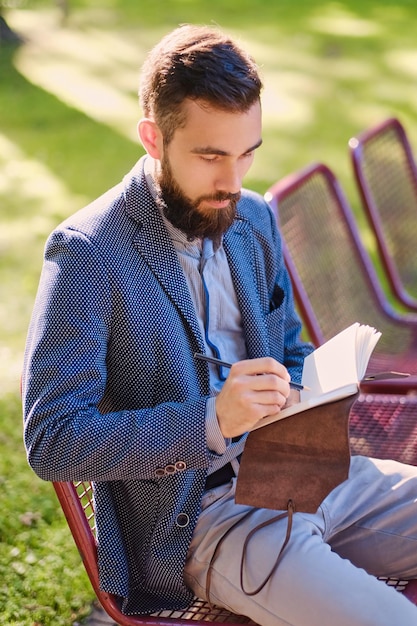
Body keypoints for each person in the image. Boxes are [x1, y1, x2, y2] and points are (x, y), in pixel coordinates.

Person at [22, 24, 417, 626]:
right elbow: (53, 441)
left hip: (306, 476)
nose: (232, 182)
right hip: (202, 518)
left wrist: (309, 386)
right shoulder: (87, 253)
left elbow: (287, 346)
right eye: (210, 156)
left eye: (247, 153)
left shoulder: (252, 217)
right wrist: (211, 421)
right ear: (154, 138)